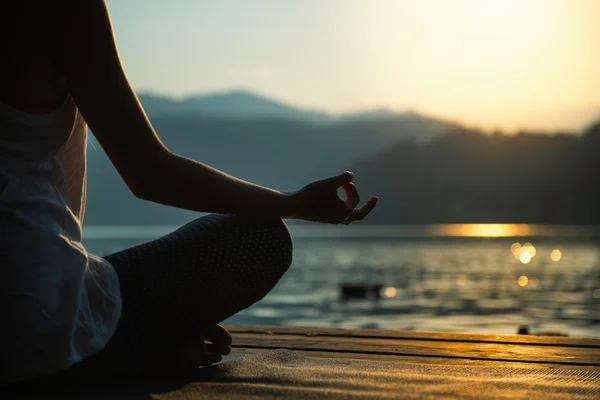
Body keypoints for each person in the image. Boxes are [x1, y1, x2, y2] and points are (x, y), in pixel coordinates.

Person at [0, 0, 378, 386]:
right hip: (36, 320)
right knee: (263, 239)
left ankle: (138, 340)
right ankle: (128, 352)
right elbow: (149, 173)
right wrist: (295, 204)